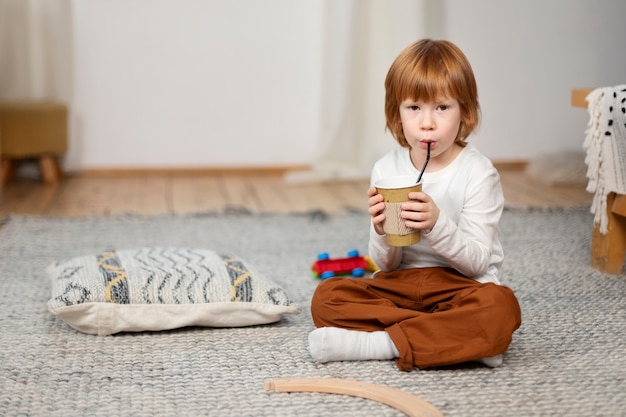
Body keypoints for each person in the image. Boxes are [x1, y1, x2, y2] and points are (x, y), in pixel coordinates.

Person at [308, 39, 522, 371]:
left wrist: (437, 224)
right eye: (414, 108)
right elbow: (387, 266)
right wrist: (381, 231)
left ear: (465, 111)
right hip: (400, 286)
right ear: (396, 113)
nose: (427, 123)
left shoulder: (478, 172)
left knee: (500, 306)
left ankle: (382, 344)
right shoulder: (385, 169)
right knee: (327, 296)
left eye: (442, 108)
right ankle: (456, 338)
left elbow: (477, 263)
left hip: (459, 286)